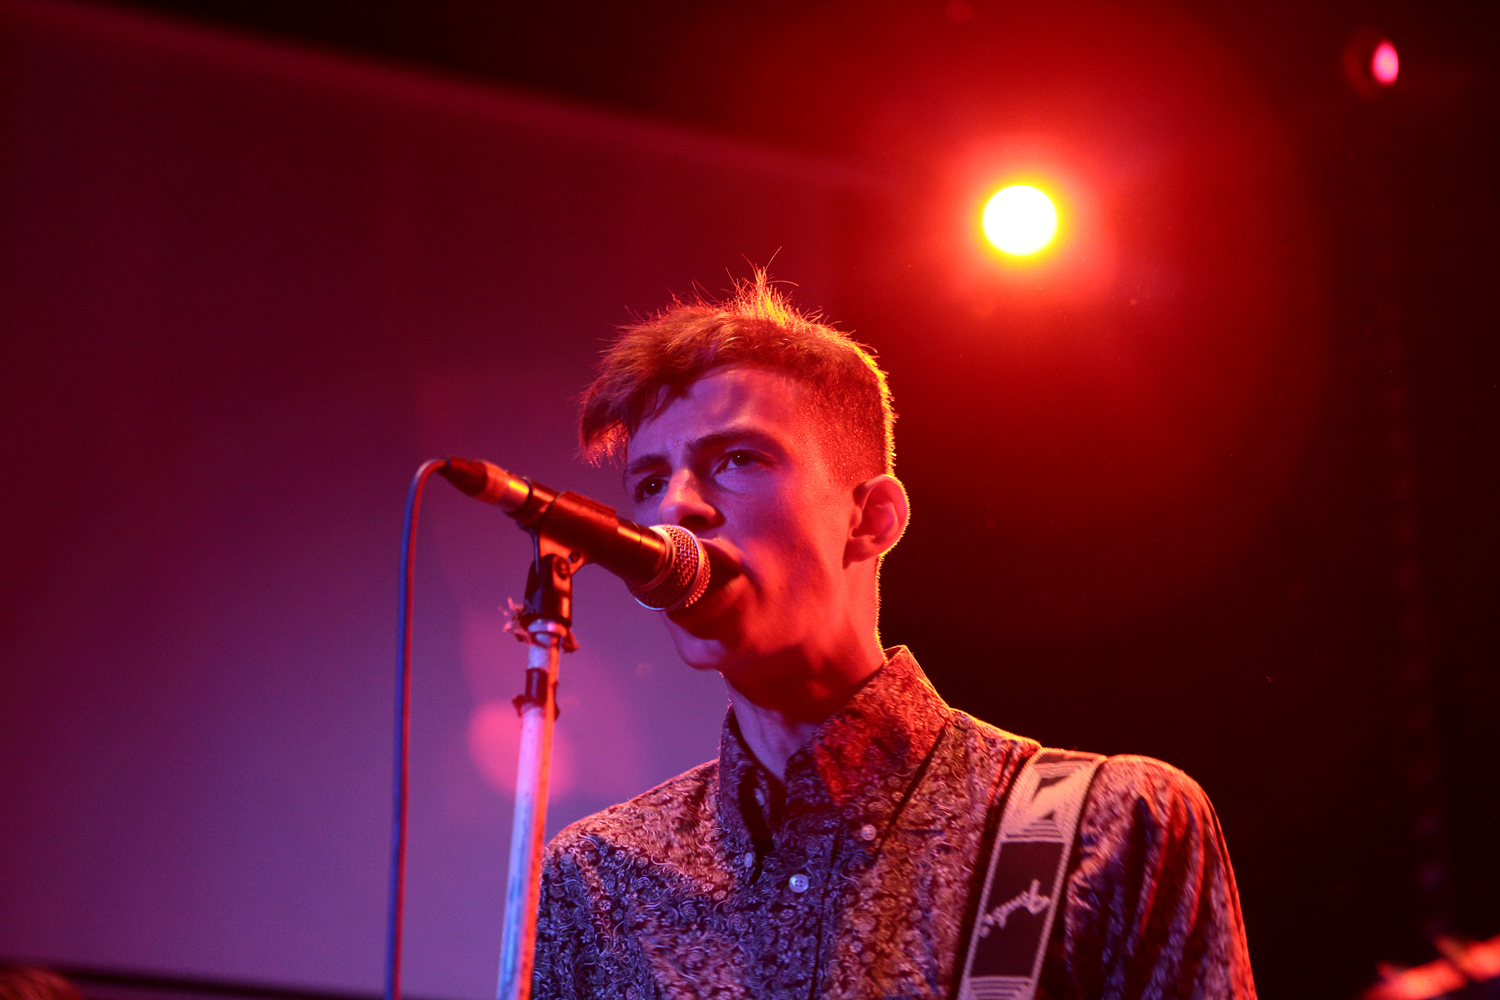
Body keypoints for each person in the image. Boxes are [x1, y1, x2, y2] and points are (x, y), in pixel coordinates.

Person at [531, 273, 1256, 999]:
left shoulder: (1103, 828)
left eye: (737, 459)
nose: (676, 508)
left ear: (872, 520)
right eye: (650, 483)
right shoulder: (599, 880)